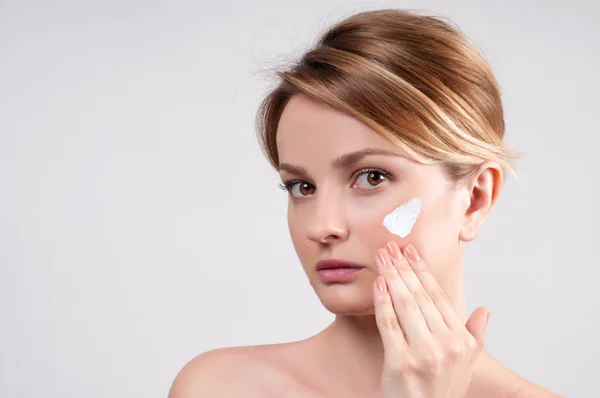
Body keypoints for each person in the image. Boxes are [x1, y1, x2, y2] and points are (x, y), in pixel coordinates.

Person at [168, 8, 561, 398]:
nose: (320, 227)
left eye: (372, 177)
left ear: (475, 200)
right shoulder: (221, 387)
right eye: (302, 186)